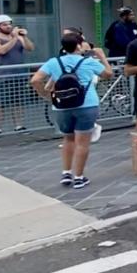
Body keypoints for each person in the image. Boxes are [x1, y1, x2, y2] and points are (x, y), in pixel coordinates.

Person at [30, 32, 113, 189]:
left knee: (68, 139)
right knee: (82, 143)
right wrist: (102, 57)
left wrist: (47, 95)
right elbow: (108, 74)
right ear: (78, 46)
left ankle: (66, 173)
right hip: (86, 104)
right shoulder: (88, 62)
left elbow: (35, 80)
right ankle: (79, 177)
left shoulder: (54, 62)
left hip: (61, 106)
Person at [0, 14, 35, 134]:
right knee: (0, 104)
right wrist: (14, 38)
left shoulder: (18, 38)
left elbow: (30, 48)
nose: (8, 26)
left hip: (19, 75)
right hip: (2, 76)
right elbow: (0, 50)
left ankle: (19, 126)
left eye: (9, 24)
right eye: (5, 25)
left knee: (18, 102)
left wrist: (24, 37)